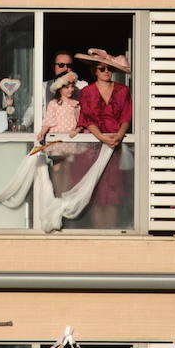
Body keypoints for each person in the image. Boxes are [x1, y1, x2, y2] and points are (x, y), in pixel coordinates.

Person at [76, 48, 133, 228]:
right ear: (95, 71)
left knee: (114, 194)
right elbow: (86, 118)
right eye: (102, 69)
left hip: (115, 147)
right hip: (92, 148)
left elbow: (127, 115)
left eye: (109, 69)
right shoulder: (87, 92)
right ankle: (98, 234)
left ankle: (112, 233)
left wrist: (119, 135)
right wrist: (101, 137)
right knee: (96, 193)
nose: (106, 72)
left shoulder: (123, 91)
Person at [38, 71, 83, 195]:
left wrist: (77, 130)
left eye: (72, 86)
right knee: (57, 169)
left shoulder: (76, 105)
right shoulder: (54, 104)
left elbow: (80, 122)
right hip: (57, 142)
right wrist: (42, 132)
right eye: (66, 87)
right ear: (59, 88)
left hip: (70, 142)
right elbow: (48, 120)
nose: (70, 90)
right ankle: (57, 195)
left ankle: (65, 197)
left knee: (68, 170)